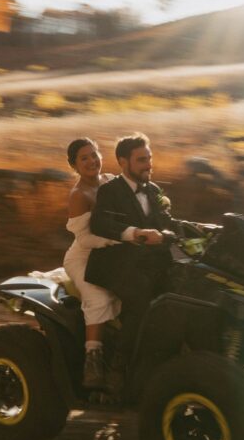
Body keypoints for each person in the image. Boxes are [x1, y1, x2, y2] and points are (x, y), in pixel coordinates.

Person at [86, 132, 180, 380]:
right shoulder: (110, 190)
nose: (148, 164)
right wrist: (135, 233)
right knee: (140, 298)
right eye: (141, 160)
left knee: (184, 291)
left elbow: (169, 224)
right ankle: (119, 368)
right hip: (118, 264)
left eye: (149, 158)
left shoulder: (154, 191)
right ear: (123, 162)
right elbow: (99, 224)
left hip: (153, 263)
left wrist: (170, 235)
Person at [62, 137, 121, 391]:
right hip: (84, 256)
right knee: (98, 297)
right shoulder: (78, 195)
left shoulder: (109, 181)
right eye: (83, 158)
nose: (91, 161)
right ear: (74, 166)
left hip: (116, 253)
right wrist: (113, 242)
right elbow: (84, 238)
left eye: (93, 155)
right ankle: (92, 361)